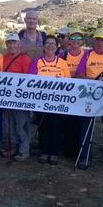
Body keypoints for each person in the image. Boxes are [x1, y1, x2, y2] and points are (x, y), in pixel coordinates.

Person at [75, 27, 103, 170]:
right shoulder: (88, 54)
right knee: (86, 126)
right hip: (90, 97)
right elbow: (79, 75)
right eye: (97, 40)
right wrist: (95, 80)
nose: (100, 43)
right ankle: (84, 157)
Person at [29, 35, 70, 165]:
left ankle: (54, 153)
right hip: (41, 101)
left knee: (56, 126)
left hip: (58, 102)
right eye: (47, 43)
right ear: (44, 46)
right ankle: (44, 151)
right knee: (43, 126)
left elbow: (68, 83)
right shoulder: (37, 62)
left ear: (57, 46)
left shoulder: (62, 63)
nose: (50, 46)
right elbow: (30, 81)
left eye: (53, 43)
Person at [2, 33, 32, 161]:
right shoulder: (4, 57)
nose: (12, 45)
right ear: (6, 44)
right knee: (9, 124)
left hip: (20, 98)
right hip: (7, 97)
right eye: (9, 43)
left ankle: (24, 150)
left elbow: (28, 79)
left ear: (18, 44)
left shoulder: (25, 58)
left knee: (21, 124)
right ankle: (12, 147)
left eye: (14, 42)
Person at [59, 27, 86, 156]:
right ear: (69, 41)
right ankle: (65, 147)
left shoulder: (86, 55)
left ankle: (76, 148)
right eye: (73, 38)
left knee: (77, 121)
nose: (75, 41)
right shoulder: (63, 54)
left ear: (82, 42)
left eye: (78, 38)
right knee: (65, 120)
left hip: (80, 92)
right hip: (66, 91)